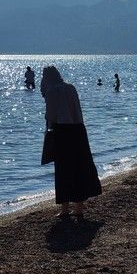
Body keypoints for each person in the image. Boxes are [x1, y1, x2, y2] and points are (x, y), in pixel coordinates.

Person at [40, 66, 101, 219]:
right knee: (80, 167)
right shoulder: (70, 87)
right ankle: (79, 207)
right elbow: (77, 110)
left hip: (62, 131)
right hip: (79, 129)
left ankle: (65, 208)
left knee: (63, 170)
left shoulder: (51, 91)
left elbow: (51, 116)